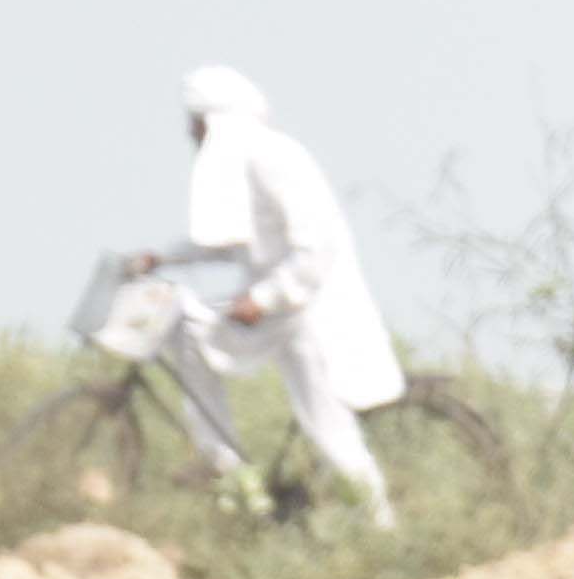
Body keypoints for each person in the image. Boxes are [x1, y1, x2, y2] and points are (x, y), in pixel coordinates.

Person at [170, 65, 409, 527]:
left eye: (195, 123)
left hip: (311, 314)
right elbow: (228, 240)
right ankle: (227, 470)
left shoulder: (273, 158)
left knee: (330, 433)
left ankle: (382, 529)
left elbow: (315, 248)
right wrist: (162, 258)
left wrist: (265, 298)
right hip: (278, 314)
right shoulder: (242, 164)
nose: (190, 133)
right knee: (187, 331)